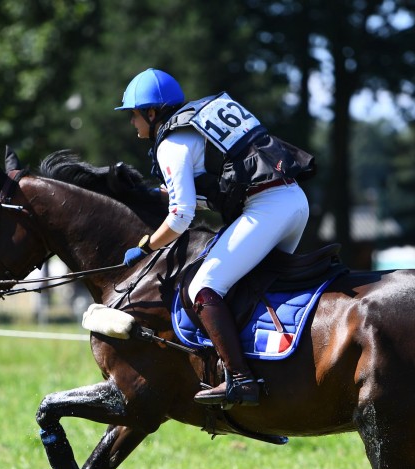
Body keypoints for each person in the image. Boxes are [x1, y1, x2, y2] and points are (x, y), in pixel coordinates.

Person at [117, 68, 316, 408]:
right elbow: (221, 183)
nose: (133, 124)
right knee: (250, 285)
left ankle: (241, 380)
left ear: (152, 112)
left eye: (134, 114)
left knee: (203, 288)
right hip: (294, 202)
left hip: (267, 208)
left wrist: (147, 245)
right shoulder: (198, 121)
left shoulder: (171, 141)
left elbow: (180, 218)